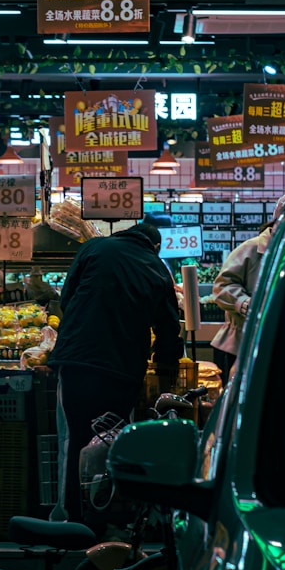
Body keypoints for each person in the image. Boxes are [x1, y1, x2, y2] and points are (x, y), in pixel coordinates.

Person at [48, 221, 183, 522]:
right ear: (155, 246)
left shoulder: (93, 248)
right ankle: (108, 516)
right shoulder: (158, 268)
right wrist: (166, 373)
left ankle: (72, 517)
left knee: (76, 439)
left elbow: (67, 300)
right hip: (122, 370)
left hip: (76, 362)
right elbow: (168, 330)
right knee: (110, 440)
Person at [210, 191, 285, 379]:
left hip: (280, 343)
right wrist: (246, 305)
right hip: (238, 344)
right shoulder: (250, 249)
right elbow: (221, 286)